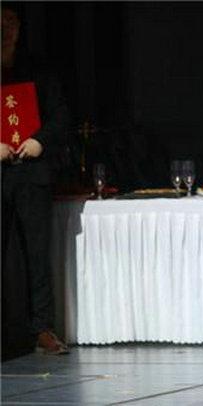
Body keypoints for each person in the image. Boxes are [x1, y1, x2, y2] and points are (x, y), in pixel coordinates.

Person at [1, 5, 70, 355]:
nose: (5, 29)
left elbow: (61, 116)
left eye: (11, 22)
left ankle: (42, 327)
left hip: (31, 170)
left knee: (37, 254)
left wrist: (39, 141)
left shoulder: (38, 69)